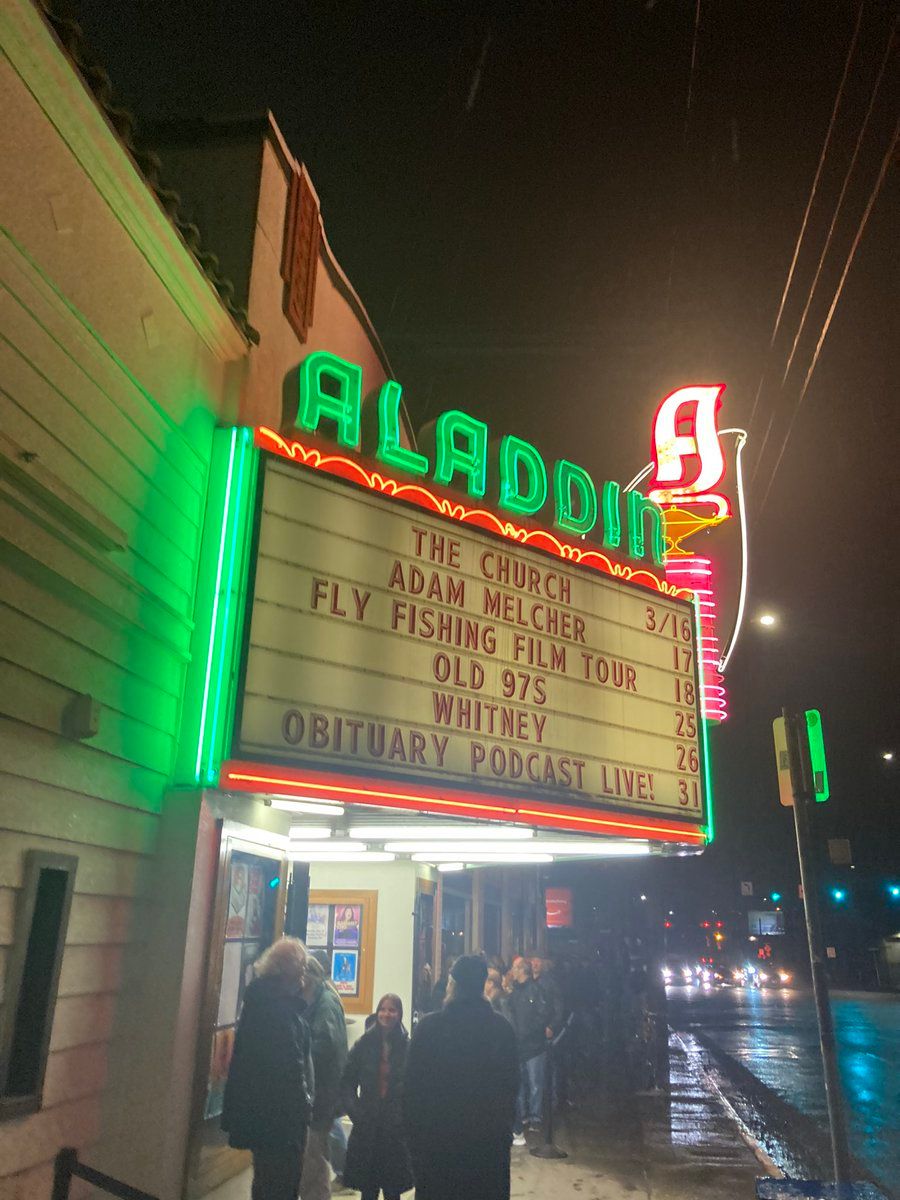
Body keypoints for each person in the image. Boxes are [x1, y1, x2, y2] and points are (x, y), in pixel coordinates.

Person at [403, 955, 520, 1200]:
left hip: (438, 1148)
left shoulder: (429, 1029)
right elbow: (511, 1091)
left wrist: (414, 1148)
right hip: (487, 1149)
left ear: (453, 985)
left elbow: (411, 1094)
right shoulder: (502, 1030)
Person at [222, 937, 313, 1200]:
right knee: (280, 1185)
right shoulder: (279, 1013)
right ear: (289, 970)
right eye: (302, 968)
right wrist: (303, 1107)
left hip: (263, 1119)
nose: (304, 975)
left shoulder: (259, 1004)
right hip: (281, 1123)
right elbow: (289, 1070)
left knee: (265, 1182)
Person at [340, 993, 414, 1200]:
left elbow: (415, 1086)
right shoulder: (364, 1043)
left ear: (399, 1014)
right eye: (383, 1009)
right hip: (368, 1124)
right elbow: (346, 1080)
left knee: (393, 1189)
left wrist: (405, 1116)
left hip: (394, 1127)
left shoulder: (408, 1047)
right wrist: (355, 1112)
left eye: (392, 1010)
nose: (386, 1014)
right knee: (368, 1187)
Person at [299, 956, 349, 1200]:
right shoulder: (322, 998)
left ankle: (345, 1172)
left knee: (314, 1156)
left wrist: (298, 1056)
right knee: (319, 1146)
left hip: (322, 1089)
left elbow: (325, 1045)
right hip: (323, 1090)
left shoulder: (325, 1003)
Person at [507, 958, 551, 1136]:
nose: (511, 971)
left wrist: (529, 1032)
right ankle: (524, 1114)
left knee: (534, 1082)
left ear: (521, 970)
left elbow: (543, 1014)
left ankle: (534, 1117)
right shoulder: (515, 992)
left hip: (533, 1045)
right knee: (523, 1082)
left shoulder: (535, 990)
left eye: (514, 968)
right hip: (521, 1044)